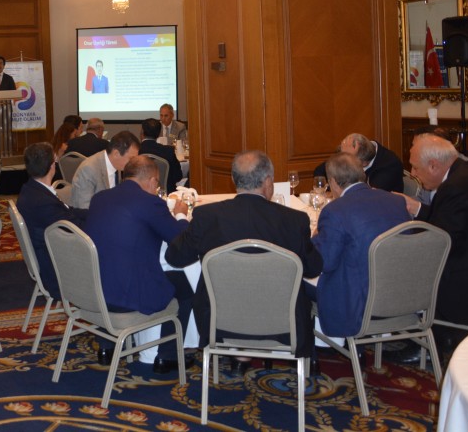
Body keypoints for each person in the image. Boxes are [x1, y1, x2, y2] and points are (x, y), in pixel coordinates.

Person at [166, 151, 323, 360]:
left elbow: (175, 257)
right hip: (283, 324)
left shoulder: (207, 217)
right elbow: (314, 268)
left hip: (219, 323)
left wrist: (183, 223)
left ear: (233, 180)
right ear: (268, 182)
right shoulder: (294, 221)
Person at [87, 156, 193, 373]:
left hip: (94, 292)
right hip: (128, 296)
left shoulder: (99, 198)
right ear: (152, 181)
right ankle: (168, 356)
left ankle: (106, 346)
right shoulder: (149, 203)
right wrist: (181, 215)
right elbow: (181, 241)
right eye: (157, 185)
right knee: (187, 286)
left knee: (114, 266)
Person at [403, 133, 468, 348]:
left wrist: (401, 241)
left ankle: (426, 342)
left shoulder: (453, 187)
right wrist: (417, 209)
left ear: (434, 165)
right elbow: (455, 220)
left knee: (405, 270)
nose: (414, 174)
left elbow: (441, 243)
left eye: (416, 168)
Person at [311, 153, 409, 338]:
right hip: (400, 293)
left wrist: (316, 238)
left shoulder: (335, 211)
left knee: (299, 280)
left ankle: (319, 346)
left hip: (358, 301)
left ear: (333, 182)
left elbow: (325, 262)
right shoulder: (396, 201)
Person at [16, 142, 87, 300]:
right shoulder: (42, 202)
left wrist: (95, 212)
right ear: (52, 166)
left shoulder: (31, 190)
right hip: (57, 272)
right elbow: (75, 229)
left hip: (51, 256)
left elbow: (68, 212)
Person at [70, 130, 140, 210]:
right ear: (116, 154)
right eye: (131, 158)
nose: (133, 163)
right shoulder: (89, 170)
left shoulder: (117, 165)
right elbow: (84, 209)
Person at [313, 133, 404, 193]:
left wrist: (337, 189)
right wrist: (331, 189)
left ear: (364, 163)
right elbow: (319, 172)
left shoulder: (390, 165)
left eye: (347, 160)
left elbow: (366, 195)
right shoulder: (351, 152)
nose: (343, 161)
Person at [138, 118, 183, 193]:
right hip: (166, 195)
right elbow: (178, 177)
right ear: (159, 134)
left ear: (142, 132)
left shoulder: (136, 152)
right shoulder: (169, 151)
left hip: (141, 194)